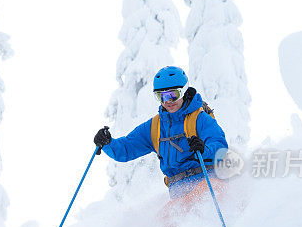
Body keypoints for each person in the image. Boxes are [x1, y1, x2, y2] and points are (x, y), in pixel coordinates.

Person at [94, 66, 228, 206]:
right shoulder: (155, 127)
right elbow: (126, 149)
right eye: (161, 96)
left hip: (208, 182)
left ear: (184, 91)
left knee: (192, 199)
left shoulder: (199, 118)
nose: (167, 101)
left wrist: (204, 149)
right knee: (167, 218)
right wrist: (108, 143)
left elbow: (220, 146)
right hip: (179, 193)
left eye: (172, 95)